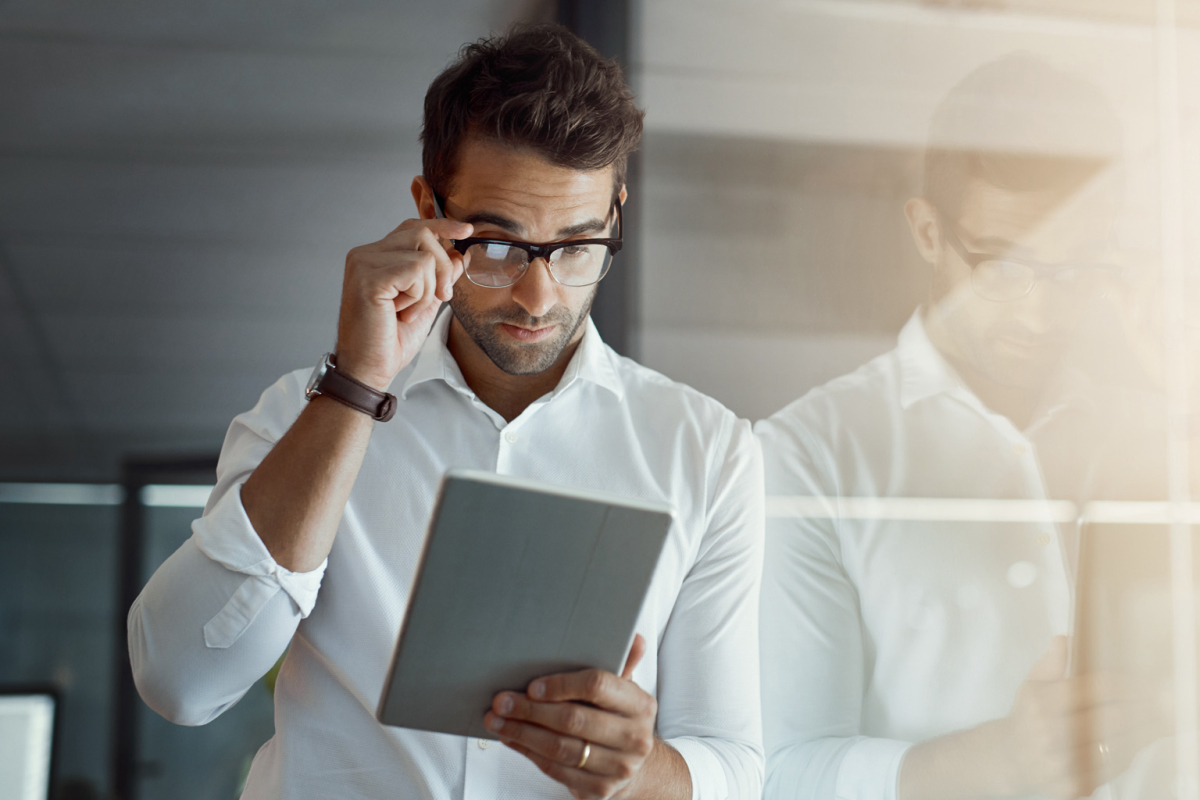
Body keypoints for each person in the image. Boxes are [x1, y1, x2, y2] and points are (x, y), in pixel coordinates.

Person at [128, 24, 763, 800]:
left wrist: (640, 773)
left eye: (577, 246)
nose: (540, 295)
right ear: (429, 209)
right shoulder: (301, 413)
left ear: (616, 214)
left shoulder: (705, 450)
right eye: (497, 245)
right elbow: (181, 683)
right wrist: (356, 386)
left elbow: (734, 764)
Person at [757, 54, 1175, 800]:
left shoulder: (1163, 431)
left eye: (1080, 267)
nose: (1042, 314)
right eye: (1005, 266)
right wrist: (997, 768)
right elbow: (783, 770)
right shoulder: (810, 455)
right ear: (926, 230)